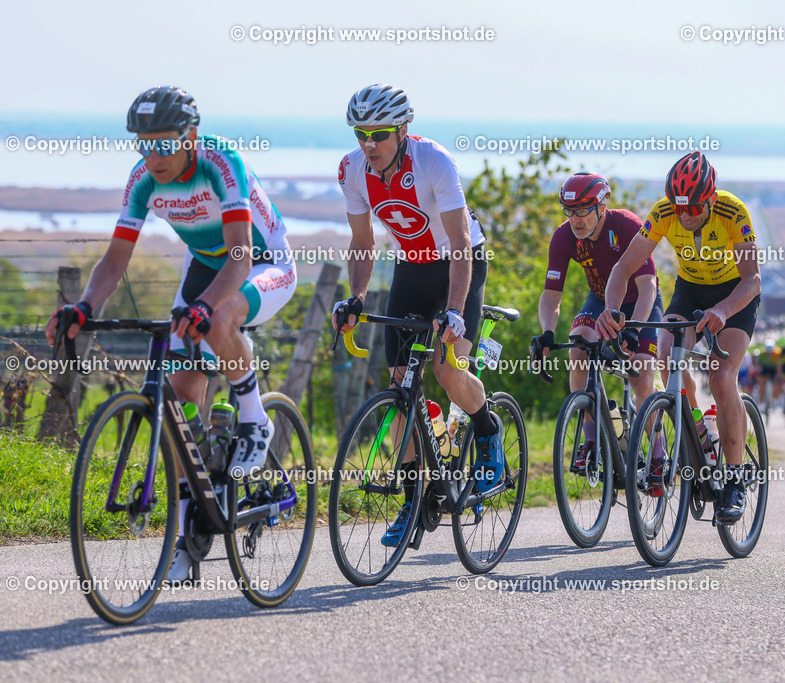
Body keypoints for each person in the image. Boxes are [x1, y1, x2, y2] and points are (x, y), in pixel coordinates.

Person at [46, 86, 297, 582]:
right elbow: (116, 259)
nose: (153, 156)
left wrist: (205, 307)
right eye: (143, 144)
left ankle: (255, 419)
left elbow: (241, 255)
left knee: (220, 320)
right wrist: (83, 307)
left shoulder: (222, 163)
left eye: (163, 143)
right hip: (205, 267)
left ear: (190, 136)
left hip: (261, 263)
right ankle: (190, 533)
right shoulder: (143, 180)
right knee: (180, 400)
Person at [333, 83, 503, 547]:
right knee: (400, 385)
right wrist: (356, 298)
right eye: (361, 134)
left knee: (447, 370)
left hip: (459, 264)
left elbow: (461, 242)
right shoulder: (352, 170)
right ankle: (412, 502)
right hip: (411, 267)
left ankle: (487, 430)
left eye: (379, 134)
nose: (369, 144)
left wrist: (454, 312)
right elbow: (363, 241)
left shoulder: (434, 161)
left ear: (403, 129)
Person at [597, 151, 761, 524]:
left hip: (735, 295)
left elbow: (752, 280)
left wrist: (723, 311)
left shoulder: (733, 212)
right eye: (679, 207)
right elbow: (623, 268)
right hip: (690, 291)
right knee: (667, 358)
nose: (685, 215)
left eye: (693, 208)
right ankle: (699, 428)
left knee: (721, 376)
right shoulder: (663, 212)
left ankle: (735, 479)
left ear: (711, 198)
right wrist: (611, 309)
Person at [532, 172, 660, 477]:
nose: (575, 220)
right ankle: (590, 441)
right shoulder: (564, 237)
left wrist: (634, 330)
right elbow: (551, 294)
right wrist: (547, 332)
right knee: (578, 348)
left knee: (641, 378)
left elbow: (648, 286)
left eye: (582, 211)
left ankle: (658, 452)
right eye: (569, 211)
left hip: (639, 302)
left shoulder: (626, 225)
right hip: (601, 300)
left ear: (602, 207)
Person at [755, 339, 780, 408]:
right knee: (761, 384)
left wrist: (778, 376)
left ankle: (775, 400)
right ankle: (761, 402)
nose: (769, 354)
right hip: (765, 369)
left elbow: (779, 366)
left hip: (773, 370)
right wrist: (758, 375)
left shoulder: (777, 354)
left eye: (771, 352)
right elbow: (758, 366)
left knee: (776, 383)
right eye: (768, 352)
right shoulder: (761, 354)